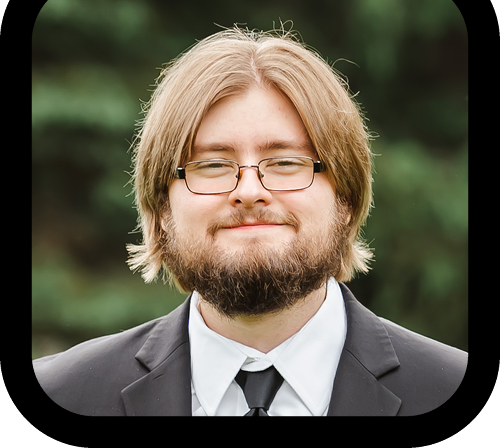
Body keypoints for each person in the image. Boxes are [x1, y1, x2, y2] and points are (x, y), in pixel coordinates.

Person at [33, 26, 467, 416]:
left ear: (347, 197)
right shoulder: (63, 394)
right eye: (212, 165)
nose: (249, 190)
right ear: (161, 207)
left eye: (285, 162)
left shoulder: (447, 387)